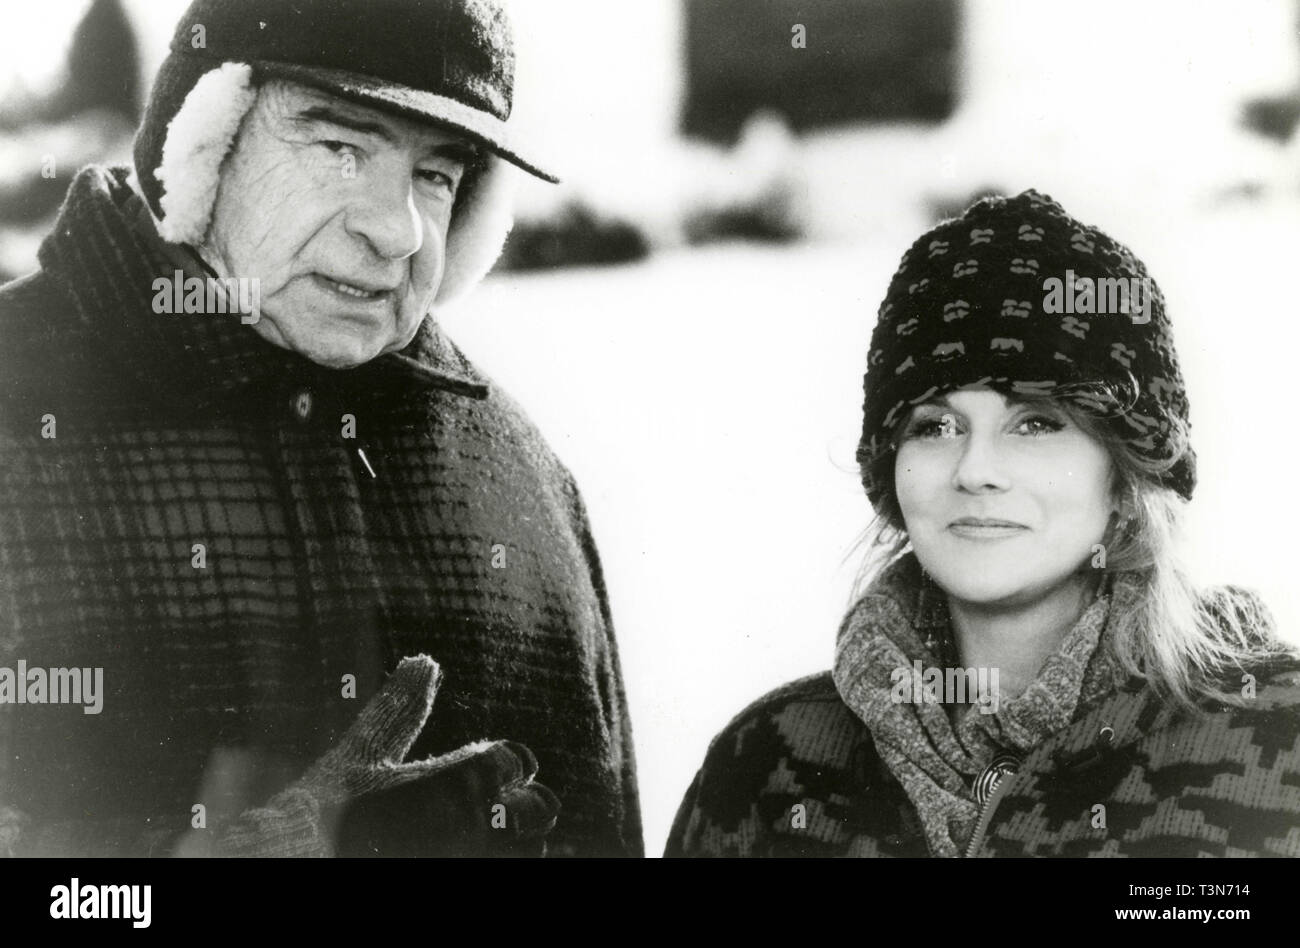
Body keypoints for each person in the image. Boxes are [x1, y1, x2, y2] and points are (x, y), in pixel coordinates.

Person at [0, 0, 642, 857]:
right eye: (341, 149)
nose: (399, 230)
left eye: (438, 176)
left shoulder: (522, 488)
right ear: (207, 144)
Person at [666, 189, 1300, 858]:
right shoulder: (763, 768)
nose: (975, 469)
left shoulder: (1275, 735)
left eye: (1035, 422)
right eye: (935, 425)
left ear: (1126, 479)